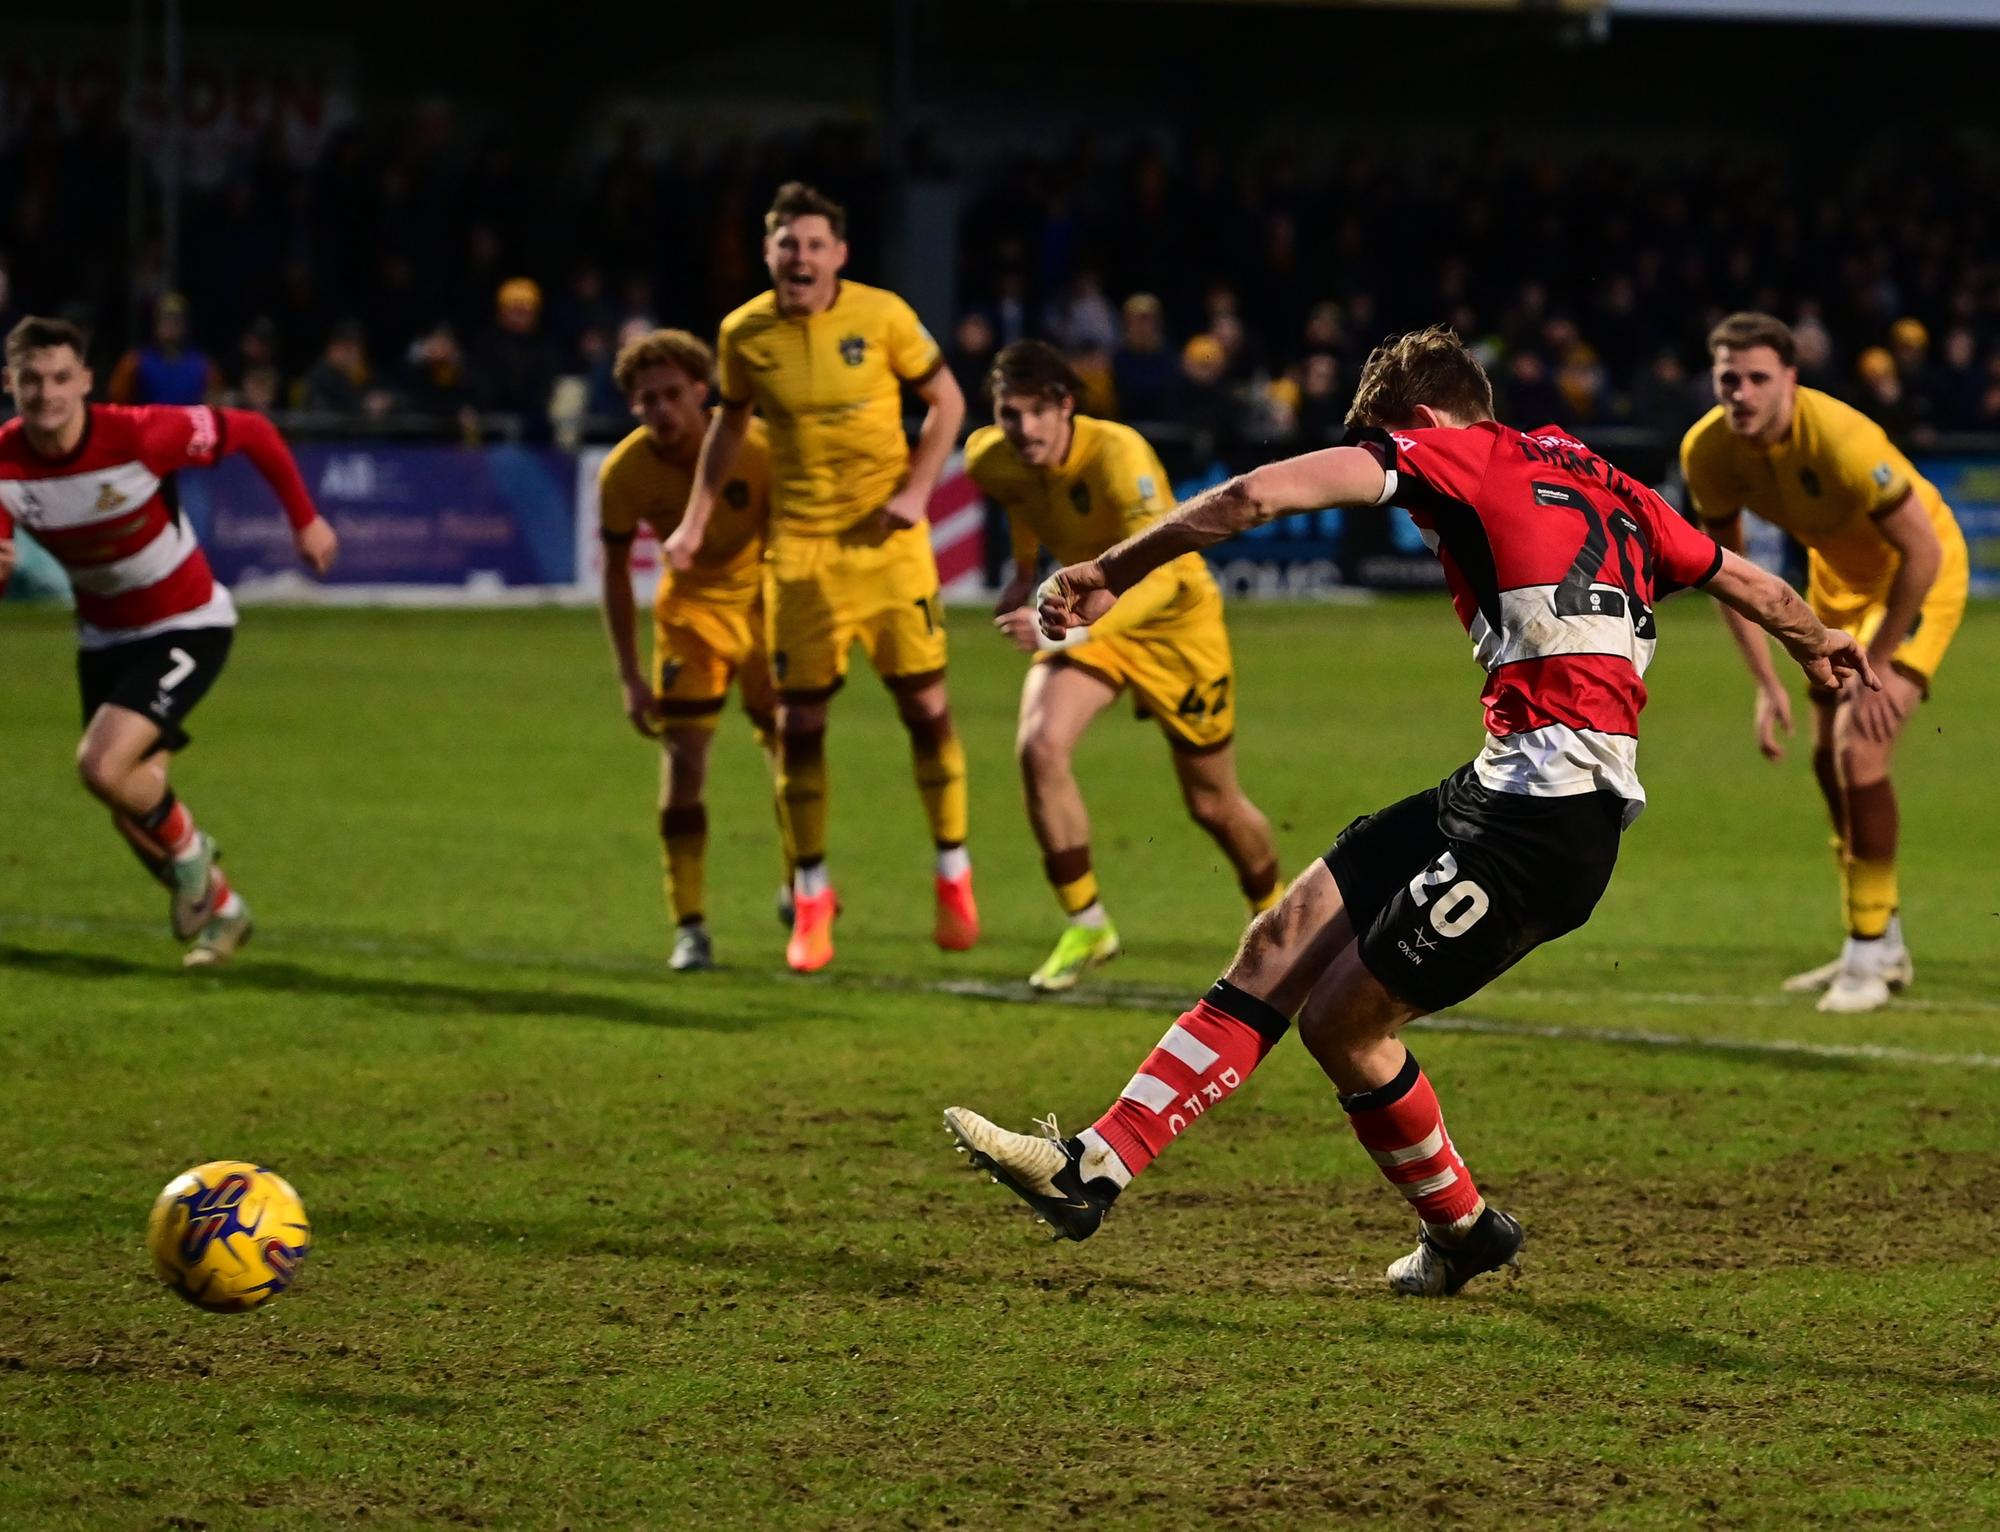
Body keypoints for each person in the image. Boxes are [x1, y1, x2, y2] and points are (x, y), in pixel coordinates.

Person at [943, 326, 1876, 1297]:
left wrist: (1109, 572)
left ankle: (1461, 1228)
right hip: (1497, 783)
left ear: (1423, 421)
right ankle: (1090, 1167)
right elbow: (1743, 576)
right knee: (1282, 934)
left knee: (1342, 1023)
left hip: (1546, 824)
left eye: (1390, 444)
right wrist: (1819, 644)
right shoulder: (1607, 478)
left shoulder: (1452, 450)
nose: (1404, 490)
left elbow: (1254, 494)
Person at [666, 181, 974, 974]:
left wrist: (915, 492)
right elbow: (729, 425)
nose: (799, 257)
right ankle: (810, 897)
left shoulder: (883, 316)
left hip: (888, 546)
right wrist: (696, 520)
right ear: (768, 253)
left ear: (839, 253)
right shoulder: (744, 334)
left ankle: (952, 873)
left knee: (926, 710)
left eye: (813, 244)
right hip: (800, 555)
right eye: (786, 244)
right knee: (799, 728)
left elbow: (946, 400)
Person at [0, 315, 339, 965]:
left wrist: (305, 520)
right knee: (130, 800)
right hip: (103, 638)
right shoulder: (5, 465)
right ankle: (226, 908)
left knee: (102, 768)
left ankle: (193, 859)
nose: (47, 395)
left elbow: (254, 431)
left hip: (187, 622)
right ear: (8, 382)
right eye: (31, 380)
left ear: (87, 382)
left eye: (62, 378)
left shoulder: (139, 434)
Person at [967, 341, 1280, 991]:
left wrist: (1064, 632)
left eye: (1033, 414)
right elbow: (1020, 501)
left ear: (1065, 408)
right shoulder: (989, 456)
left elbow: (1161, 575)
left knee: (1212, 803)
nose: (1020, 430)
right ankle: (1087, 922)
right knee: (1040, 745)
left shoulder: (1119, 453)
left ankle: (1278, 920)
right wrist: (1023, 572)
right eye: (1007, 414)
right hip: (1089, 622)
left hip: (1172, 621)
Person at [1680, 312, 1968, 1013]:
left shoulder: (1841, 436)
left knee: (1858, 751)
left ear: (1790, 380)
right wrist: (1763, 682)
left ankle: (1868, 954)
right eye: (1728, 379)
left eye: (1756, 379)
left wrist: (1883, 660)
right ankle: (1881, 937)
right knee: (1824, 761)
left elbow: (1923, 552)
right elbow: (1726, 573)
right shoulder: (1709, 451)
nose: (1741, 394)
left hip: (1920, 575)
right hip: (1839, 588)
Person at [596, 328, 788, 972]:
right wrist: (628, 674)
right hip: (688, 617)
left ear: (703, 392)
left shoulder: (756, 449)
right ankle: (690, 925)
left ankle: (803, 882)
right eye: (647, 400)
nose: (661, 411)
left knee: (791, 744)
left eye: (673, 395)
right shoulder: (624, 472)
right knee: (683, 767)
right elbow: (616, 574)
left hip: (764, 604)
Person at [106, 293, 221, 407]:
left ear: (186, 325)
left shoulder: (204, 365)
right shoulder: (134, 361)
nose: (170, 325)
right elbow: (117, 404)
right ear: (155, 324)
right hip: (150, 423)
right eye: (165, 318)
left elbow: (215, 404)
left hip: (187, 424)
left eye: (176, 320)